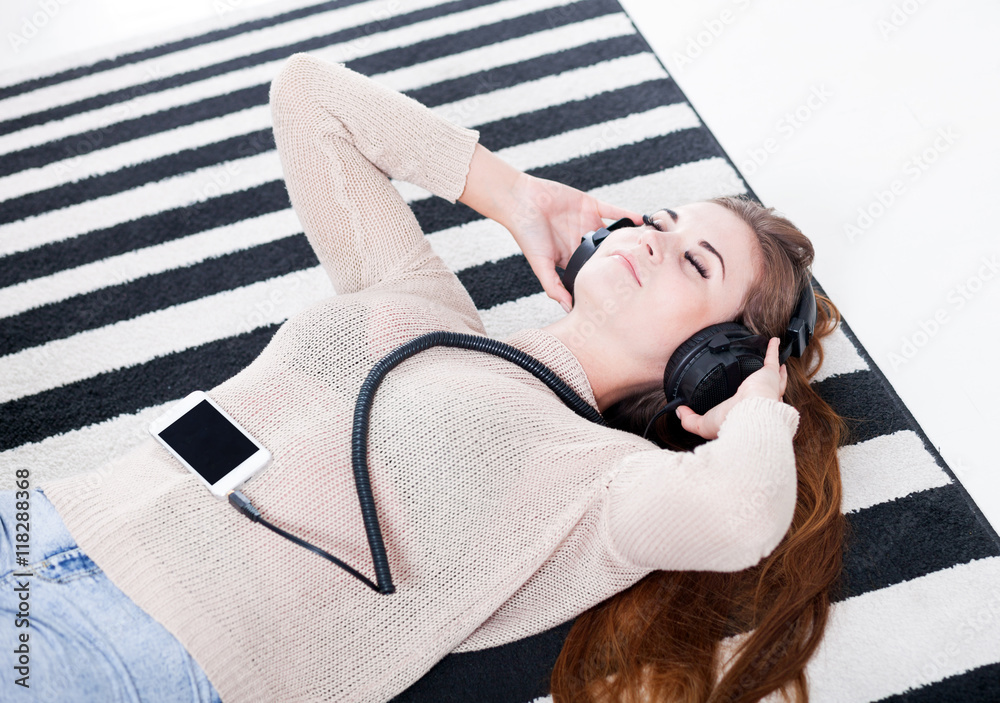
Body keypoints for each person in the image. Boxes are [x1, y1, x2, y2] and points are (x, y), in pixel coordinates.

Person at [0, 52, 845, 702]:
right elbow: (308, 96)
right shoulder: (421, 300)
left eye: (694, 261)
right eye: (657, 219)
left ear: (715, 362)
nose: (650, 237)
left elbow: (739, 515)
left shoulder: (600, 484)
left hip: (145, 648)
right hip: (46, 515)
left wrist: (755, 411)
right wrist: (510, 193)